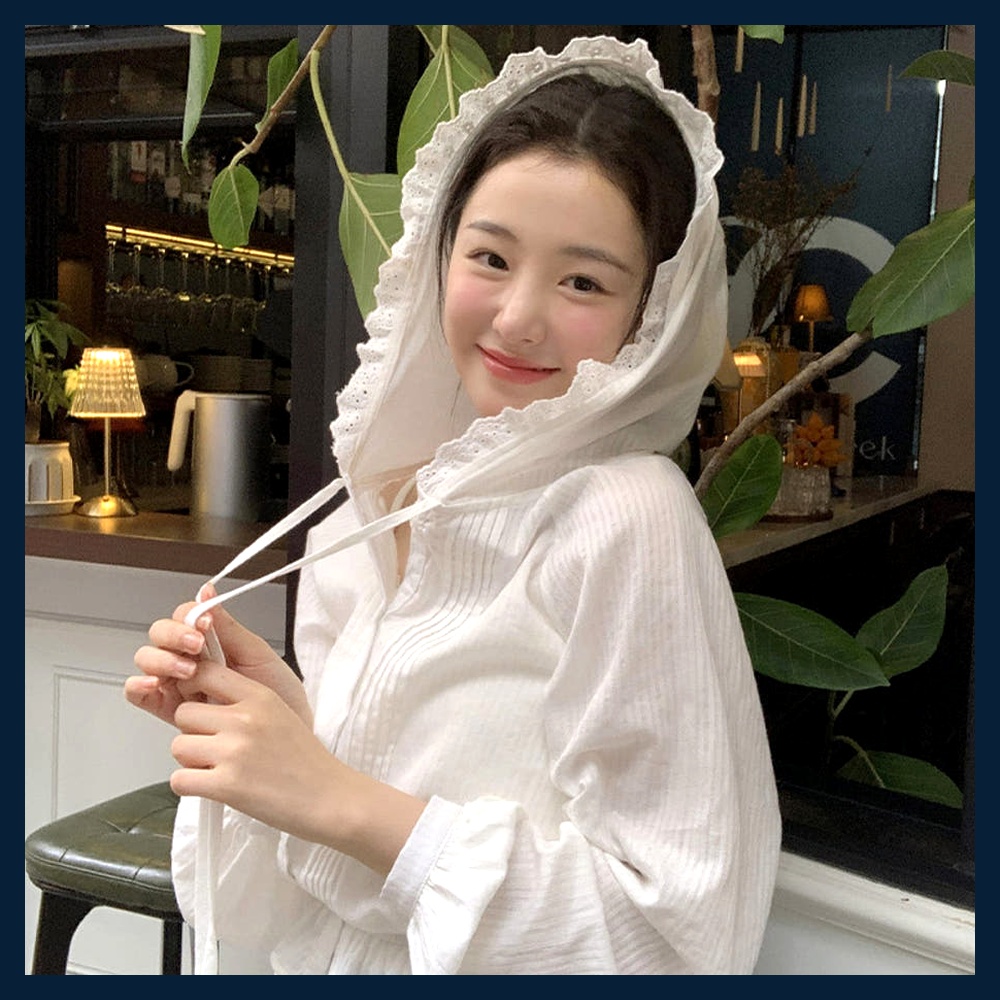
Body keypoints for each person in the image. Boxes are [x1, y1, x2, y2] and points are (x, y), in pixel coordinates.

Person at [126, 35, 781, 975]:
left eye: (584, 281)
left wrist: (332, 797)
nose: (517, 317)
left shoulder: (625, 519)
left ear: (652, 312)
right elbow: (286, 904)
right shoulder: (372, 516)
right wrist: (276, 729)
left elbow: (680, 937)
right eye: (490, 256)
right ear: (438, 252)